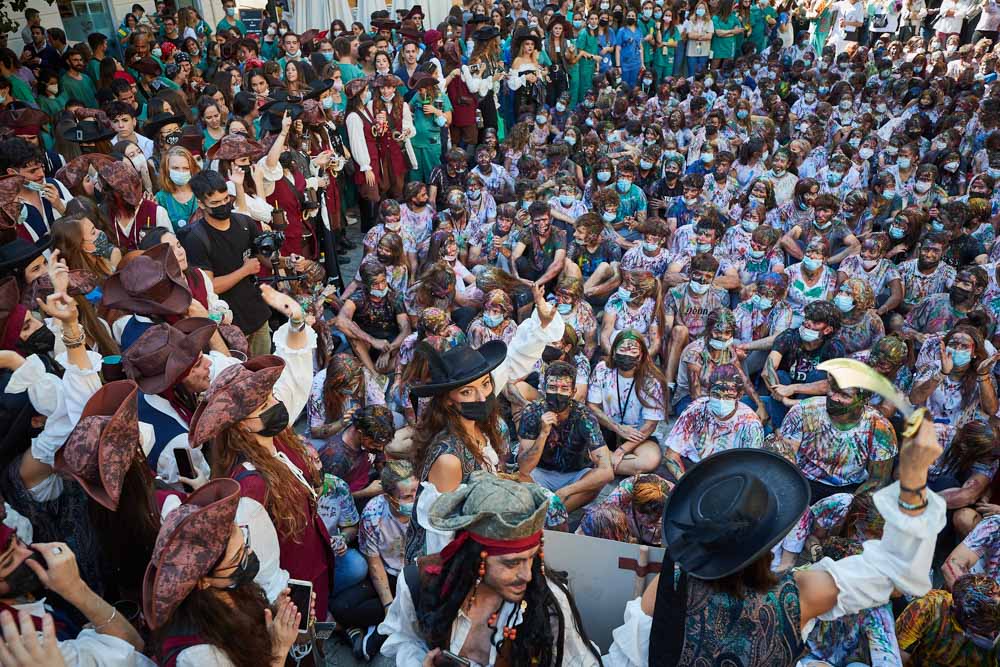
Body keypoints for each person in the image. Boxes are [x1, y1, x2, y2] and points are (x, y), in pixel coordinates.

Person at [606, 412, 946, 665]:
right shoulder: (799, 597)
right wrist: (914, 476)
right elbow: (899, 572)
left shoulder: (673, 576)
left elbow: (631, 649)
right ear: (771, 541)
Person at [403, 284, 563, 562]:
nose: (481, 396)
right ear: (448, 400)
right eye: (467, 391)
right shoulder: (449, 459)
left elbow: (511, 362)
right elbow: (441, 540)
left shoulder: (478, 417)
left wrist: (542, 324)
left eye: (485, 384)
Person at [381, 471, 603, 666]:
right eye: (512, 563)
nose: (526, 575)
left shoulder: (548, 600)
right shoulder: (421, 581)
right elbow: (404, 638)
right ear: (476, 557)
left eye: (533, 558)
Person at [183, 170, 272, 357]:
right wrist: (245, 270)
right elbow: (209, 287)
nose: (223, 206)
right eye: (215, 203)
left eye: (225, 200)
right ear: (201, 203)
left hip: (258, 314)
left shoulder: (244, 223)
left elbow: (265, 258)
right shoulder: (196, 239)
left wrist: (281, 256)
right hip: (230, 327)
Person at [517, 361, 613, 511]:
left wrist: (566, 491)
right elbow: (524, 467)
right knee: (520, 477)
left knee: (597, 481)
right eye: (553, 388)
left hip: (575, 475)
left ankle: (555, 512)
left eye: (564, 389)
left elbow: (607, 471)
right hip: (541, 474)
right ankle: (550, 510)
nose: (558, 394)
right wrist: (543, 433)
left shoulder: (584, 416)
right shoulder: (532, 412)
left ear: (573, 392)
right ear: (544, 389)